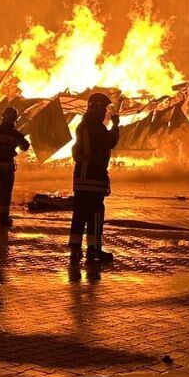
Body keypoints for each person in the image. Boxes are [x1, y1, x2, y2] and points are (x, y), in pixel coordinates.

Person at [70, 92, 120, 263]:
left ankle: (75, 249)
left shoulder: (81, 126)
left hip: (80, 177)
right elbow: (111, 141)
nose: (105, 113)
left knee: (79, 214)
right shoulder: (98, 128)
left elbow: (75, 151)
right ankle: (94, 250)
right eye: (104, 109)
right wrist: (116, 126)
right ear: (98, 108)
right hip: (94, 176)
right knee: (96, 214)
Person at [0, 107, 29, 227]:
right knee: (5, 195)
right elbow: (25, 146)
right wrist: (19, 135)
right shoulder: (16, 135)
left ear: (2, 117)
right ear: (15, 120)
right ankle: (3, 220)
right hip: (6, 169)